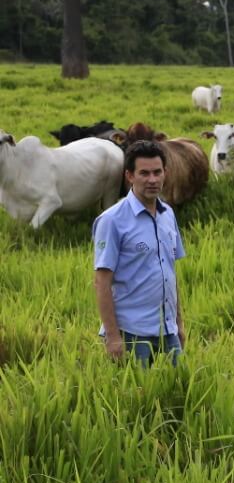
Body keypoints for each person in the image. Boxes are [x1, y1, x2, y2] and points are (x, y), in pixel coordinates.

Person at [93, 140, 187, 366]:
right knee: (137, 387)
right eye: (144, 173)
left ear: (165, 173)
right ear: (129, 176)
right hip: (132, 333)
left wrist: (179, 324)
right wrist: (113, 337)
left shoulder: (168, 214)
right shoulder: (112, 220)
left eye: (157, 172)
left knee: (179, 384)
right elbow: (102, 282)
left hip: (168, 330)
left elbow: (169, 273)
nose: (152, 180)